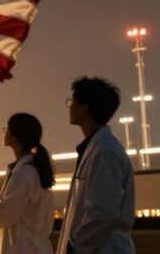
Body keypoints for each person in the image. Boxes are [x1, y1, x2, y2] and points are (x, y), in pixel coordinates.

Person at [56, 77, 135, 254]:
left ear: (84, 108)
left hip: (103, 247)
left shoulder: (104, 151)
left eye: (72, 102)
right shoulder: (97, 148)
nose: (70, 106)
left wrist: (75, 245)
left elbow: (102, 213)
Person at [0, 113, 55, 254]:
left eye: (7, 129)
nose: (4, 132)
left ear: (15, 137)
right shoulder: (31, 170)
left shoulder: (23, 175)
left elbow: (3, 217)